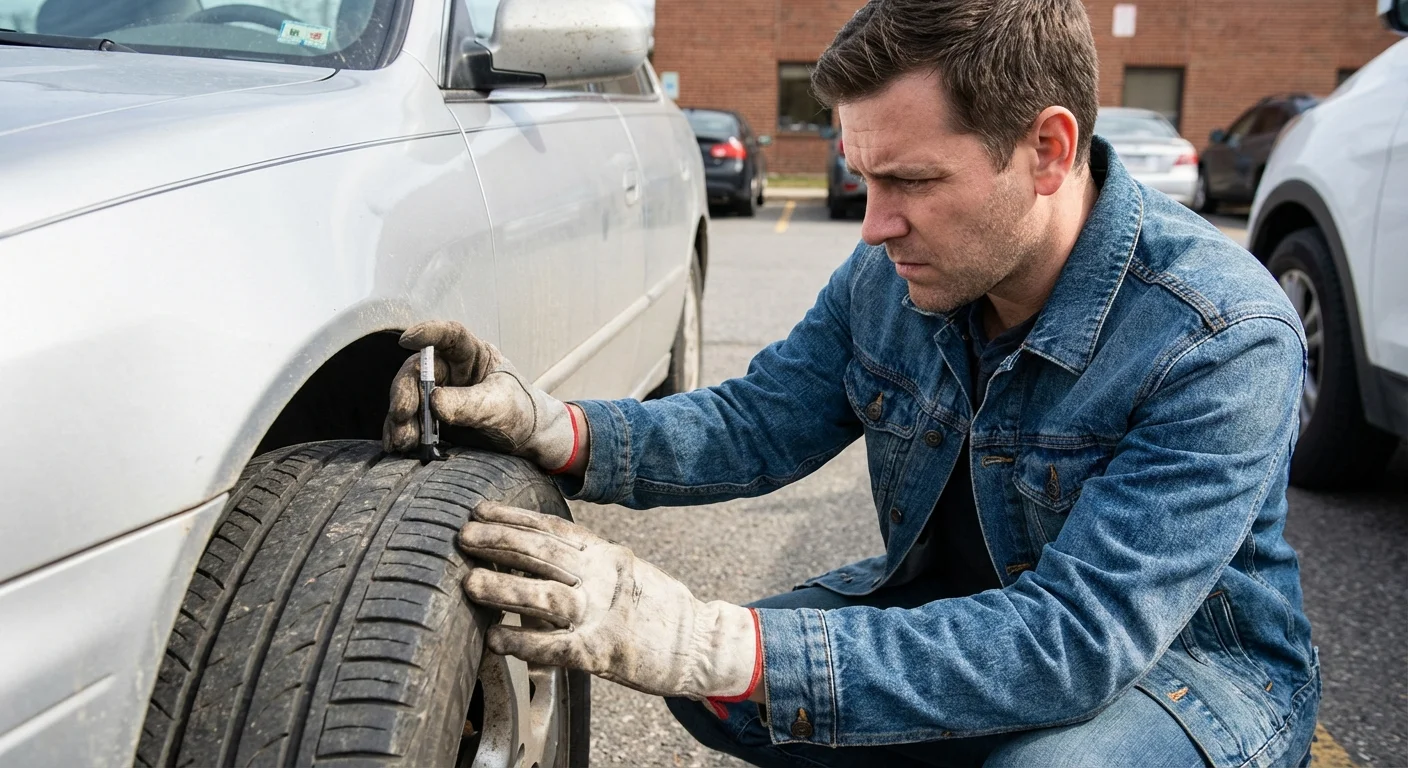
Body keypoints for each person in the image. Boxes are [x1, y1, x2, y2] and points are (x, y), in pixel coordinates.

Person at [382, 1, 1320, 764]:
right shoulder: (896, 276)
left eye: (910, 181)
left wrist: (713, 638)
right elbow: (758, 422)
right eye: (862, 177)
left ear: (1048, 150)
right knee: (724, 702)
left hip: (1187, 673)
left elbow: (1074, 642)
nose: (875, 226)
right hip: (957, 609)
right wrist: (556, 427)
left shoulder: (1219, 335)